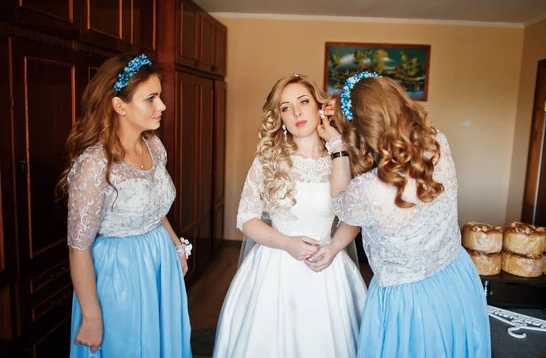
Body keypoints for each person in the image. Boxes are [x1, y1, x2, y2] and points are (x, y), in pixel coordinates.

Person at [321, 72, 491, 357]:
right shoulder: (437, 143)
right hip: (457, 277)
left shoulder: (369, 189)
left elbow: (340, 203)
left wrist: (338, 147)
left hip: (408, 300)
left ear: (359, 130)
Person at [213, 74, 367, 358]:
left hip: (327, 266)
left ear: (319, 107)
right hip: (275, 267)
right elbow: (246, 218)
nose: (296, 112)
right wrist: (287, 243)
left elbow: (352, 216)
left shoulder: (342, 157)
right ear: (279, 117)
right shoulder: (268, 159)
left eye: (303, 102)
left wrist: (333, 248)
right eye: (285, 107)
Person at [57, 54, 192, 357]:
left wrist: (175, 247)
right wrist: (91, 317)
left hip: (159, 264)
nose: (163, 106)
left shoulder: (154, 146)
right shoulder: (94, 164)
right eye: (151, 99)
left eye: (160, 97)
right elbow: (78, 248)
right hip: (120, 274)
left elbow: (154, 209)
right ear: (120, 105)